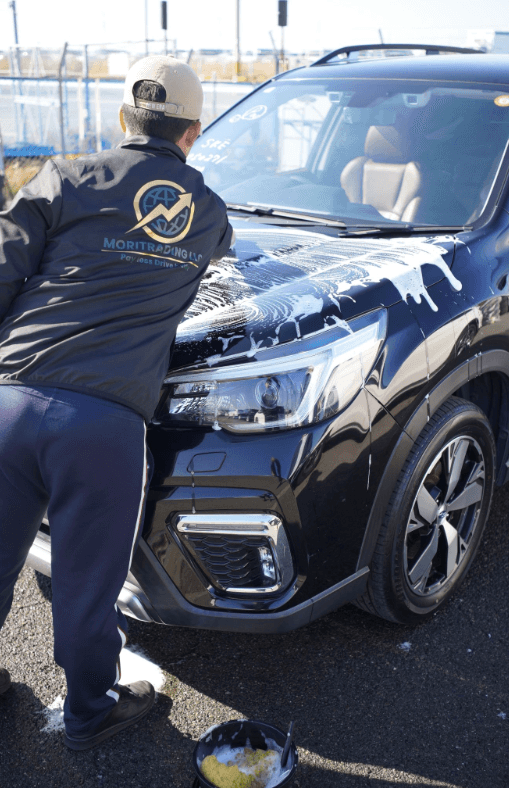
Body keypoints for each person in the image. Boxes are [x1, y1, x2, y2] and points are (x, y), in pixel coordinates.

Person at [0, 56, 233, 749]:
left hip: (10, 401)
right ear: (193, 132)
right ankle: (89, 711)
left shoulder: (62, 178)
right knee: (84, 582)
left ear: (122, 119)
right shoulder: (210, 215)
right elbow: (220, 268)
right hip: (103, 425)